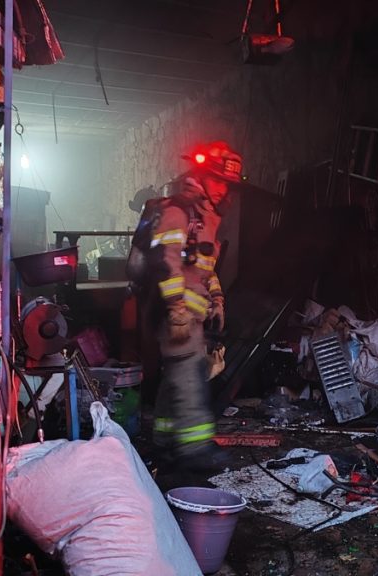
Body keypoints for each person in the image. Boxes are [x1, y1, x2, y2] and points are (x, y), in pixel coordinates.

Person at [128, 140, 242, 471]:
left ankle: (164, 441)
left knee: (175, 376)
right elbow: (166, 264)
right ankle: (195, 449)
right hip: (173, 315)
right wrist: (177, 310)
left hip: (191, 314)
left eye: (227, 184)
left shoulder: (207, 218)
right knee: (191, 375)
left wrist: (217, 299)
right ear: (201, 177)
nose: (222, 189)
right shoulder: (178, 211)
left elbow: (205, 268)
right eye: (217, 180)